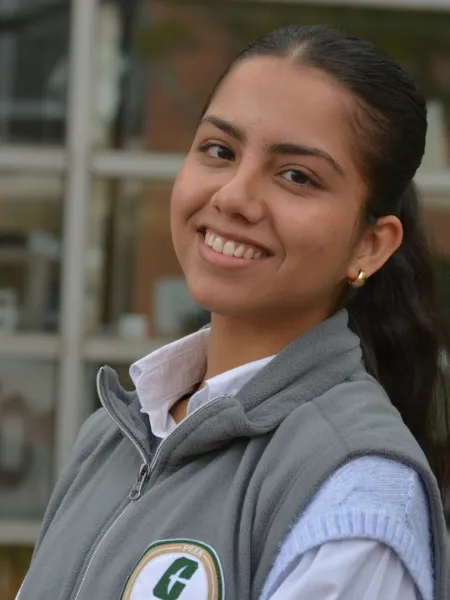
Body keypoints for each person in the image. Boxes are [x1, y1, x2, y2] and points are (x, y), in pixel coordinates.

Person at [17, 25, 450, 600]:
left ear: (370, 244)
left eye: (297, 176)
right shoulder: (111, 437)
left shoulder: (354, 492)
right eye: (219, 151)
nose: (233, 197)